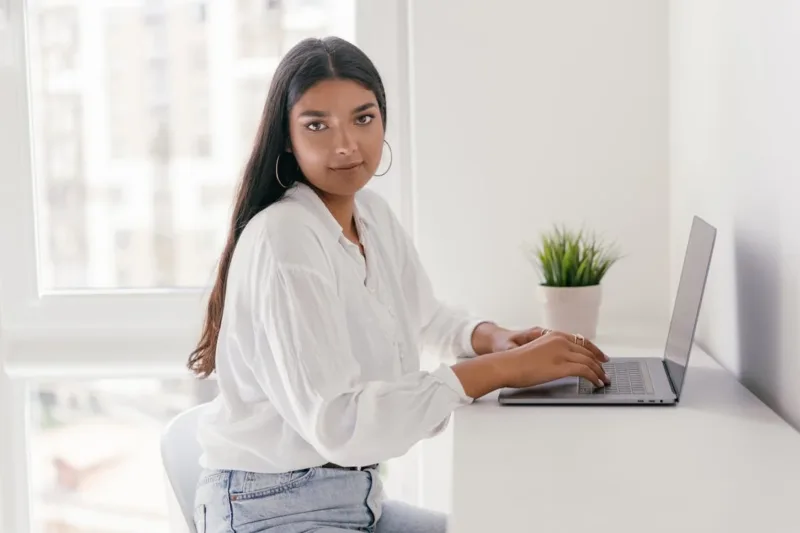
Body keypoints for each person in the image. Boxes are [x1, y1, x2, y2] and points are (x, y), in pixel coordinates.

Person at [188, 36, 610, 533]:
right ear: (286, 137)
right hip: (276, 508)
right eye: (317, 125)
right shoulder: (286, 240)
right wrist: (498, 371)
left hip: (354, 499)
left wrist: (493, 337)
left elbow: (426, 316)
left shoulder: (369, 215)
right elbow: (339, 426)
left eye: (363, 119)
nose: (346, 144)